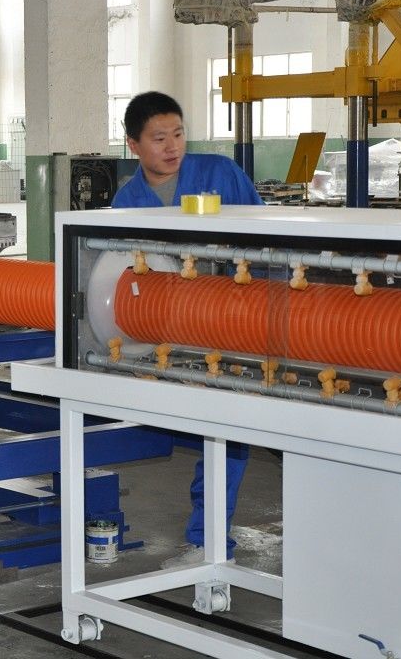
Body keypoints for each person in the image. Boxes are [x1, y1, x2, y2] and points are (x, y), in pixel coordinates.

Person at [111, 91, 262, 564]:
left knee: (225, 434)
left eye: (178, 133)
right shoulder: (127, 202)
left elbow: (269, 236)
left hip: (232, 324)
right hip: (168, 335)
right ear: (134, 144)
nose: (172, 145)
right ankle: (207, 540)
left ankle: (208, 542)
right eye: (159, 138)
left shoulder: (220, 174)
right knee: (199, 428)